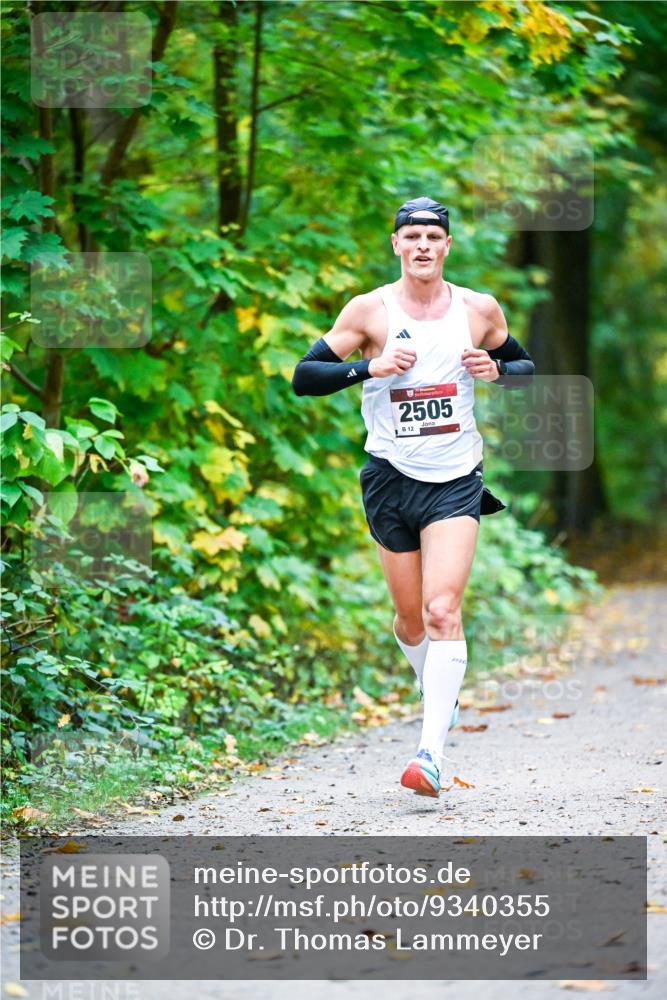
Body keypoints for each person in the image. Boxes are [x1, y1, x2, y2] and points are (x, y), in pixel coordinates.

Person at [291, 197, 534, 797]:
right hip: (389, 477)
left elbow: (527, 364)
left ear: (447, 245)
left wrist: (498, 372)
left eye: (433, 236)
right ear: (396, 245)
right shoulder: (369, 310)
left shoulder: (478, 309)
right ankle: (435, 690)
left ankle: (429, 754)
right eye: (412, 236)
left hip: (456, 477)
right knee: (408, 618)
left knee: (441, 610)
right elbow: (304, 377)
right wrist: (367, 371)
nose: (423, 245)